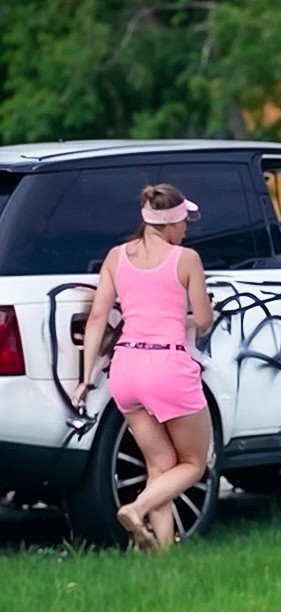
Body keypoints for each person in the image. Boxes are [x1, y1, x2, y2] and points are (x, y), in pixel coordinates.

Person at [71, 184, 214, 551]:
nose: (186, 228)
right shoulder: (186, 259)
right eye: (183, 221)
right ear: (169, 224)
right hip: (167, 366)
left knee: (161, 464)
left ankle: (162, 558)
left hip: (126, 369)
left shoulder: (116, 257)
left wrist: (86, 380)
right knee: (195, 463)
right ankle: (136, 508)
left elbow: (98, 317)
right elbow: (202, 319)